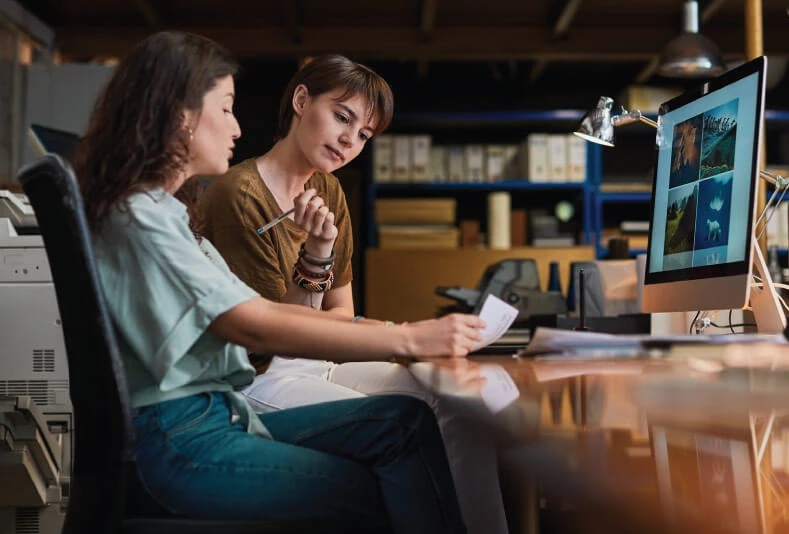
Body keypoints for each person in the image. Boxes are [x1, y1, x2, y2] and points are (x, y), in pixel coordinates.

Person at [73, 31, 487, 533]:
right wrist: (406, 337)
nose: (236, 126)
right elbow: (255, 326)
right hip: (181, 438)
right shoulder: (142, 216)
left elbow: (270, 313)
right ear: (180, 114)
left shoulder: (163, 212)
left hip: (208, 418)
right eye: (225, 109)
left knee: (406, 422)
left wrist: (378, 316)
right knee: (367, 478)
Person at [200, 55, 510, 534]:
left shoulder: (328, 190)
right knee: (412, 419)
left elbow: (341, 312)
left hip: (316, 356)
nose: (350, 140)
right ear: (302, 100)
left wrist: (330, 264)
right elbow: (269, 338)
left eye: (364, 134)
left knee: (459, 403)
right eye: (342, 117)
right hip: (254, 377)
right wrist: (320, 260)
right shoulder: (240, 194)